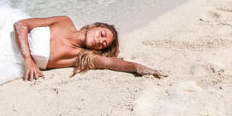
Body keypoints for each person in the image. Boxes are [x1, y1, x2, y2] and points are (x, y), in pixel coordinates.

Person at [13, 15, 167, 81]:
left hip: (8, 63)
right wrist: (28, 59)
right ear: (93, 26)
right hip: (4, 38)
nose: (100, 41)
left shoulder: (78, 56)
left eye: (103, 44)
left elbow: (112, 64)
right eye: (102, 34)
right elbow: (21, 25)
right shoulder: (64, 22)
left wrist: (141, 68)